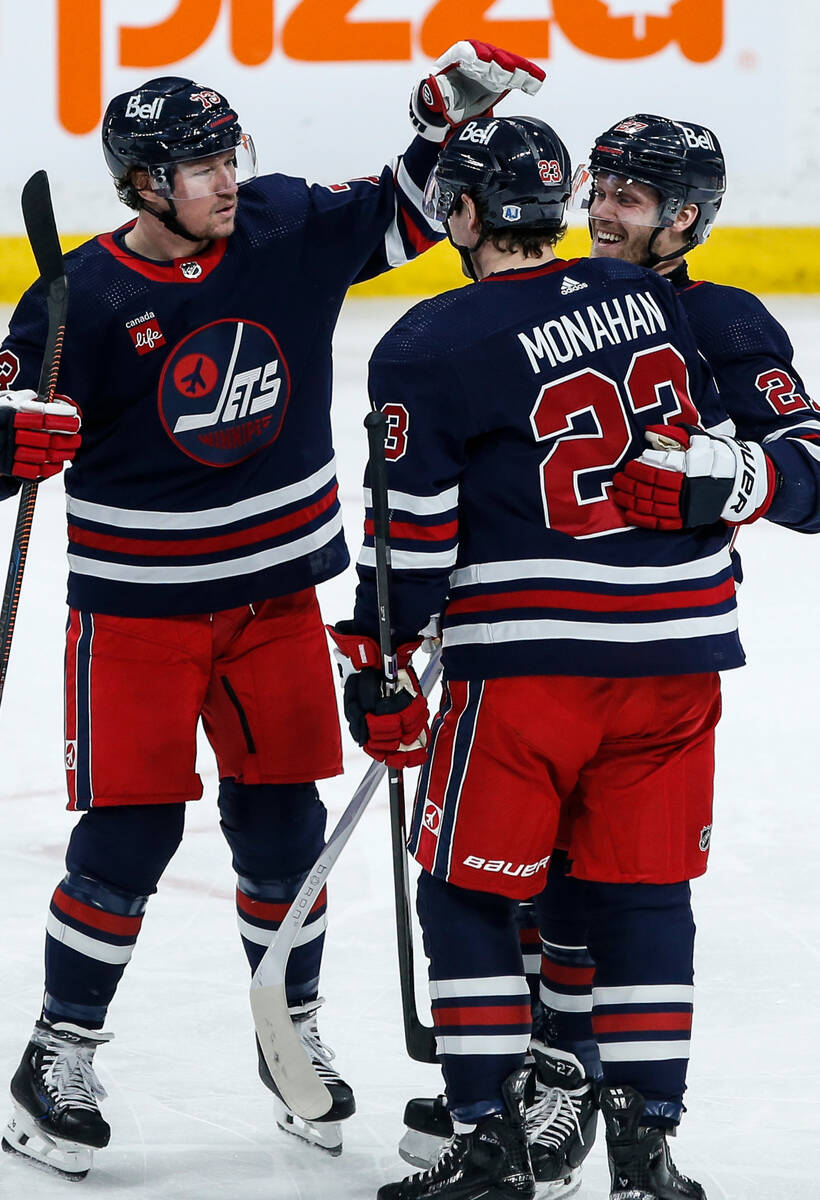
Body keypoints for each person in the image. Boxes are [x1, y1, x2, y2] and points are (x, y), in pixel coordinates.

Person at [0, 45, 547, 1180]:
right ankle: (57, 1049)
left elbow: (407, 217)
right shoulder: (76, 299)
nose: (225, 178)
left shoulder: (283, 227)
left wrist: (439, 122)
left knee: (284, 827)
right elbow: (6, 427)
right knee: (128, 837)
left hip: (276, 599)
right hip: (137, 614)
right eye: (198, 165)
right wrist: (12, 442)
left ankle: (284, 1024)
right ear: (144, 184)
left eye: (227, 152)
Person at [328, 112, 762, 1200]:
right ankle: (645, 1153)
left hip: (529, 668)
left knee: (466, 894)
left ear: (465, 214)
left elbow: (412, 532)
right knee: (647, 896)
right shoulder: (664, 304)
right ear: (563, 202)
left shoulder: (429, 341)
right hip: (677, 658)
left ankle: (489, 1148)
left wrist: (378, 656)